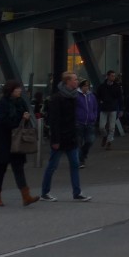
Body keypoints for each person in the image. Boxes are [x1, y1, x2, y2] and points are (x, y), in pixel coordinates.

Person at [0, 79, 39, 207]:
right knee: (1, 169)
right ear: (11, 90)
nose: (20, 91)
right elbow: (1, 121)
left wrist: (25, 118)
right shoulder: (3, 103)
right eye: (17, 89)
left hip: (17, 140)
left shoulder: (21, 102)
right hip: (3, 140)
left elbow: (24, 117)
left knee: (18, 168)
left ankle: (26, 195)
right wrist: (20, 118)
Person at [41, 72, 91, 201]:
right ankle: (44, 192)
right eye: (75, 80)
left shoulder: (73, 97)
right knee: (53, 165)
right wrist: (55, 139)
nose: (77, 82)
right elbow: (55, 120)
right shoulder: (57, 98)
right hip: (61, 137)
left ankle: (77, 192)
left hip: (71, 136)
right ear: (68, 82)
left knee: (74, 164)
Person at [96, 70, 123, 150]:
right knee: (101, 127)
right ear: (107, 76)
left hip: (113, 108)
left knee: (112, 127)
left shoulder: (117, 87)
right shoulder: (102, 87)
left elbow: (120, 98)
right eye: (112, 76)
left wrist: (121, 109)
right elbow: (98, 96)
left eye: (114, 76)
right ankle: (105, 136)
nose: (113, 77)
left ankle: (109, 142)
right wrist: (100, 102)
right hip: (104, 108)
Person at [75, 78, 98, 166]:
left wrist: (94, 116)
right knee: (78, 142)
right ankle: (80, 160)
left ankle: (83, 154)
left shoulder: (91, 96)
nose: (86, 88)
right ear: (81, 86)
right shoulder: (77, 96)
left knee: (90, 140)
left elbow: (95, 107)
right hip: (79, 122)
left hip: (90, 122)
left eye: (87, 86)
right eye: (84, 86)